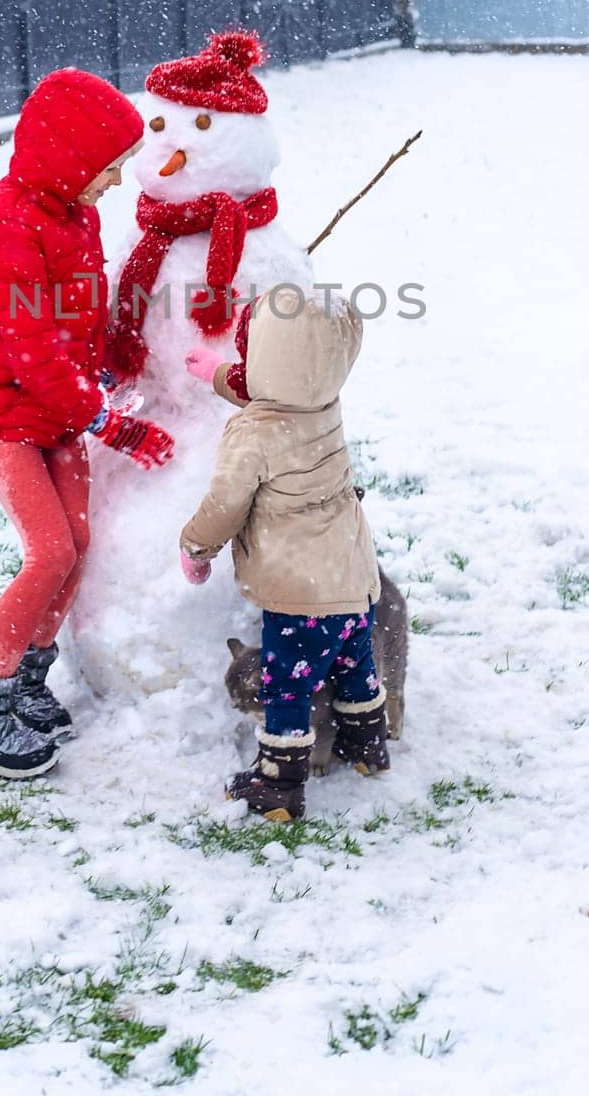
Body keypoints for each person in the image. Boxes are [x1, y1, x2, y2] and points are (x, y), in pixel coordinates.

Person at [0, 67, 175, 780]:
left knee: (77, 541)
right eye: (105, 170)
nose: (112, 184)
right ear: (70, 160)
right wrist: (110, 423)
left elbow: (76, 320)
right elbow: (33, 353)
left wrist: (110, 358)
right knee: (48, 550)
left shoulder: (73, 213)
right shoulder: (8, 226)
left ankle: (25, 684)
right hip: (4, 414)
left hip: (60, 408)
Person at [180, 285, 385, 822]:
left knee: (286, 685)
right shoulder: (323, 401)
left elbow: (225, 503)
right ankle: (367, 745)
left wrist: (196, 547)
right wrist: (218, 375)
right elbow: (281, 386)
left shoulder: (253, 434)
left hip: (299, 593)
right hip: (350, 571)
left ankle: (279, 785)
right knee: (353, 660)